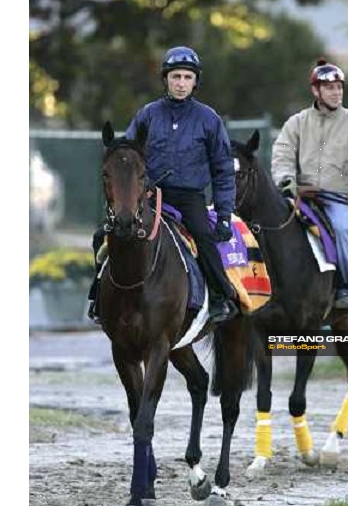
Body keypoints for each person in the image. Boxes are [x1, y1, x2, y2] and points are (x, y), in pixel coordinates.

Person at [88, 46, 238, 324]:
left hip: (189, 198)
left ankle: (220, 298)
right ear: (166, 79)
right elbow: (129, 153)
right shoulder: (148, 114)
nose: (181, 83)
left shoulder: (209, 119)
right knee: (103, 237)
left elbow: (223, 170)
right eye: (175, 77)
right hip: (148, 195)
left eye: (187, 77)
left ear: (195, 82)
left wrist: (225, 215)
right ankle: (98, 297)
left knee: (204, 239)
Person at [271, 59, 348, 310]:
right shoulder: (297, 122)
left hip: (338, 198)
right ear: (316, 91)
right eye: (330, 88)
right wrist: (286, 180)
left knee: (343, 230)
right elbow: (282, 155)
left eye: (339, 87)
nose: (336, 92)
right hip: (301, 194)